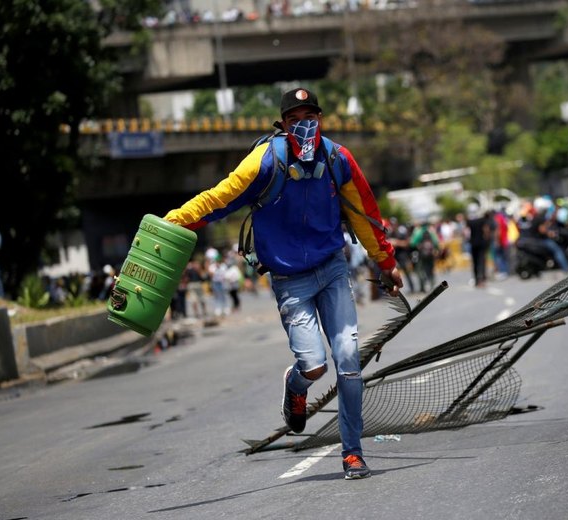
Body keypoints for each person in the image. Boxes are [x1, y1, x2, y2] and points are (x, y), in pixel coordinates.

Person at [164, 88, 402, 480]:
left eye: (312, 117)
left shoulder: (337, 158)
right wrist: (171, 222)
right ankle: (296, 387)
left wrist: (386, 263)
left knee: (348, 362)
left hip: (332, 269)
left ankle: (353, 453)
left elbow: (365, 213)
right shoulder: (265, 161)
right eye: (295, 119)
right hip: (290, 280)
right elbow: (217, 200)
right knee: (313, 366)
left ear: (321, 119)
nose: (305, 126)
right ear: (283, 124)